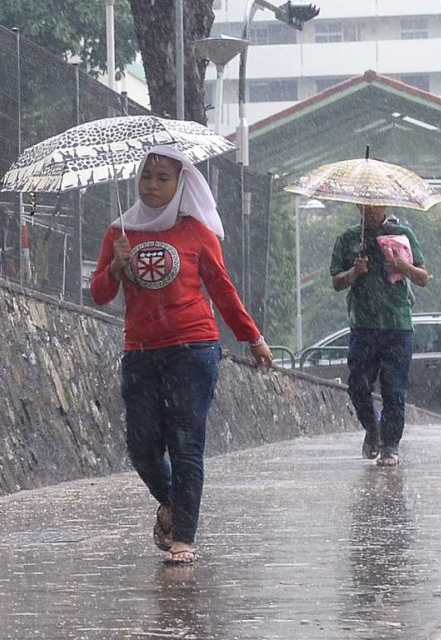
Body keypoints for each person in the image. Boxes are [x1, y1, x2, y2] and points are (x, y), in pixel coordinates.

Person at [91, 145, 274, 565]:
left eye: (162, 178)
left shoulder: (196, 232)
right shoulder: (119, 233)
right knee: (142, 446)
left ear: (181, 184)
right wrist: (116, 267)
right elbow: (101, 295)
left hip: (193, 348)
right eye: (146, 177)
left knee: (186, 442)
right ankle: (172, 504)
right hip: (139, 351)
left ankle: (183, 538)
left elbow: (223, 292)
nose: (152, 186)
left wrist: (252, 337)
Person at [330, 205, 429, 467]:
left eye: (376, 205)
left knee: (393, 389)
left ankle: (390, 445)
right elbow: (336, 282)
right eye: (366, 206)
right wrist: (354, 272)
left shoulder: (402, 233)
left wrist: (401, 265)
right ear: (358, 207)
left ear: (384, 205)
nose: (371, 210)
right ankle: (372, 427)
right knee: (358, 386)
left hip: (397, 326)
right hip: (363, 325)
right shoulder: (348, 238)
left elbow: (423, 277)